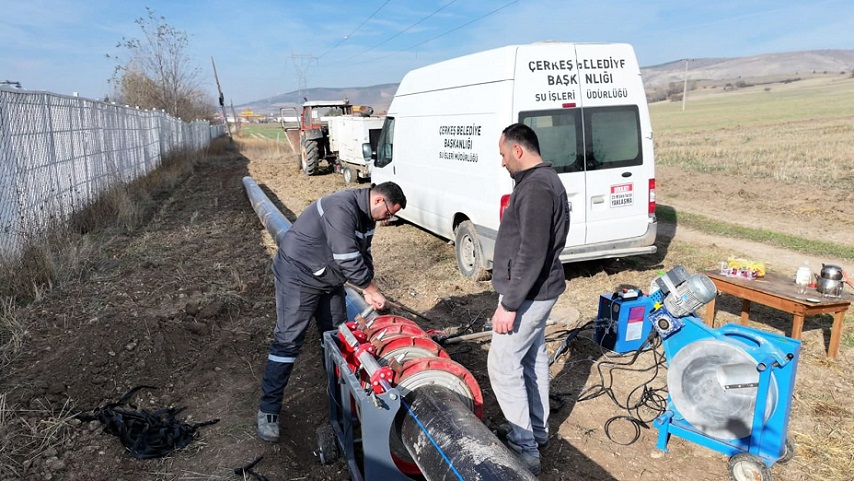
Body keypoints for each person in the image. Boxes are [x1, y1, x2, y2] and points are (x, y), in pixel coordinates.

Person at [256, 182, 406, 442]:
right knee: (289, 341)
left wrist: (371, 285)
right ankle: (268, 410)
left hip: (328, 279)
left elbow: (363, 255)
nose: (389, 218)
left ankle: (343, 406)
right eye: (389, 213)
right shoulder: (341, 208)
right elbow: (348, 259)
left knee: (339, 339)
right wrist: (370, 289)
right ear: (380, 200)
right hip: (298, 275)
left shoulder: (367, 217)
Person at [488, 123, 569, 475]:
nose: (502, 162)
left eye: (503, 154)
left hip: (530, 295)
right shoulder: (541, 181)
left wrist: (509, 304)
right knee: (531, 359)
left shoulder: (536, 187)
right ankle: (536, 431)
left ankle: (525, 450)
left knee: (503, 366)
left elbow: (532, 252)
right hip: (538, 290)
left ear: (518, 151)